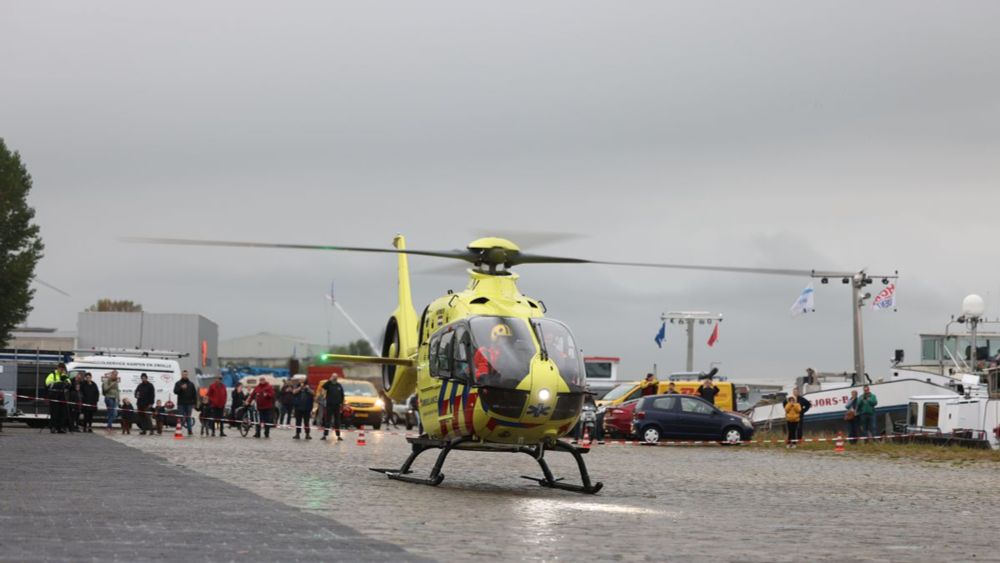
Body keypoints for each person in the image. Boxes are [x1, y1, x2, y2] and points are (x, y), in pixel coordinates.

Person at [45, 363, 71, 434]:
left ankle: (60, 428)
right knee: (54, 412)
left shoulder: (64, 375)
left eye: (63, 369)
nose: (62, 370)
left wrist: (65, 381)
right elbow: (47, 383)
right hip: (54, 395)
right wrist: (58, 383)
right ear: (58, 368)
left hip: (62, 395)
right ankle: (53, 427)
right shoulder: (52, 374)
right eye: (61, 369)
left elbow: (69, 383)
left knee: (62, 412)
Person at [173, 370, 198, 436]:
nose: (185, 375)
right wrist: (181, 388)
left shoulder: (191, 384)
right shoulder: (178, 383)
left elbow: (194, 394)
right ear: (181, 375)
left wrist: (194, 403)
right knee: (181, 417)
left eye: (186, 374)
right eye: (184, 374)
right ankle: (179, 430)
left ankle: (189, 431)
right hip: (181, 404)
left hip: (189, 404)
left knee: (188, 417)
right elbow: (175, 391)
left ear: (187, 375)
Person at [321, 374, 345, 441]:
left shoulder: (339, 385)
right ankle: (325, 435)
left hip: (337, 406)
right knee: (327, 421)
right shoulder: (329, 384)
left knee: (337, 421)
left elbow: (342, 395)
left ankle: (338, 435)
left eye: (336, 377)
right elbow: (323, 387)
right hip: (329, 405)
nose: (335, 378)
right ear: (331, 377)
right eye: (334, 377)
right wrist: (329, 380)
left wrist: (342, 403)